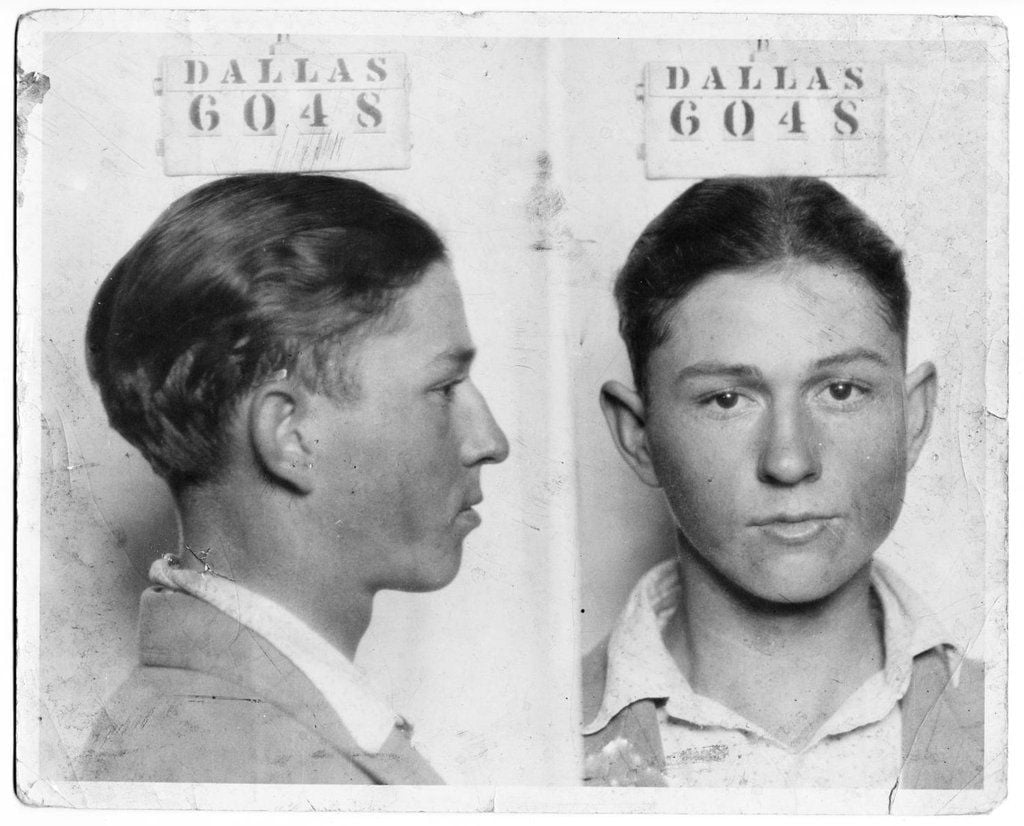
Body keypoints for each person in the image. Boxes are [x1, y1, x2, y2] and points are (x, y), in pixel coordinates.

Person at [77, 173, 509, 784]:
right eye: (443, 389)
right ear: (291, 435)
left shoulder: (239, 730)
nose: (490, 442)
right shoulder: (237, 765)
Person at [583, 176, 983, 789]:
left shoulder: (1006, 723)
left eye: (841, 391)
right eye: (726, 399)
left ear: (916, 417)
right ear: (639, 435)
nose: (790, 461)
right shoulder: (521, 736)